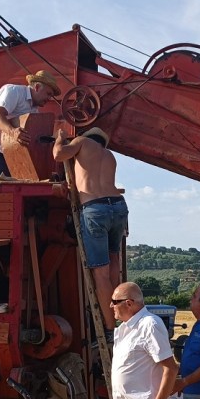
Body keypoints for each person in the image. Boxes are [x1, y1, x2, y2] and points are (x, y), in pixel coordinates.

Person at [53, 127, 126, 342]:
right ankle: (121, 318)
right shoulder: (109, 155)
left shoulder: (82, 143)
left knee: (100, 273)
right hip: (119, 207)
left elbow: (58, 154)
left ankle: (110, 329)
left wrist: (60, 140)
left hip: (95, 208)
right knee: (114, 262)